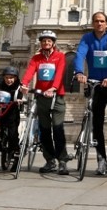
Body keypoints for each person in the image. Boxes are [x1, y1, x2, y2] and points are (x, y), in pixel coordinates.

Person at [73, 11, 107, 176]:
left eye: (102, 21)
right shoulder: (86, 39)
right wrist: (78, 71)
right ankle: (101, 160)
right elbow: (80, 54)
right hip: (95, 84)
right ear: (92, 23)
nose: (99, 24)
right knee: (97, 124)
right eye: (96, 21)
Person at [21, 30, 69, 175]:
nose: (46, 43)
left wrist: (53, 88)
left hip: (57, 97)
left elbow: (60, 72)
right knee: (45, 131)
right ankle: (50, 161)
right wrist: (24, 83)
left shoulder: (60, 56)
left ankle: (62, 161)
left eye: (49, 41)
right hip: (42, 97)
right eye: (43, 41)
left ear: (53, 43)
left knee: (58, 129)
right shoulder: (37, 58)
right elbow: (30, 71)